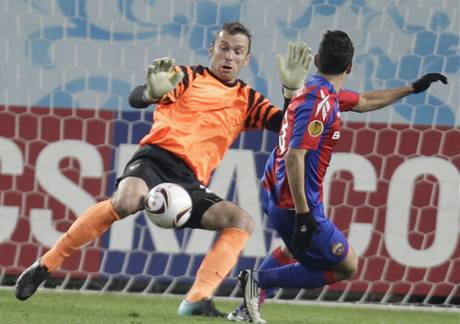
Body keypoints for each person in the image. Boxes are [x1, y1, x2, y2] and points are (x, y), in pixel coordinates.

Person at [14, 22, 314, 318]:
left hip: (190, 181)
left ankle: (196, 299)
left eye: (238, 51)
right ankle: (46, 264)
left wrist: (291, 93)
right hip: (156, 158)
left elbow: (286, 127)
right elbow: (137, 97)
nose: (229, 56)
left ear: (246, 59)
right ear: (212, 50)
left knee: (242, 221)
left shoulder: (247, 99)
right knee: (126, 200)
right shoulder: (187, 77)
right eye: (224, 48)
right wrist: (148, 93)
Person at [229, 30, 448, 323]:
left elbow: (366, 100)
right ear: (350, 67)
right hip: (295, 202)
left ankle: (245, 308)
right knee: (347, 265)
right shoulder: (320, 104)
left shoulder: (319, 91)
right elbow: (296, 156)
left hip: (275, 189)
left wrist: (412, 87)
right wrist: (305, 215)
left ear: (318, 61)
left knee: (291, 249)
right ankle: (258, 280)